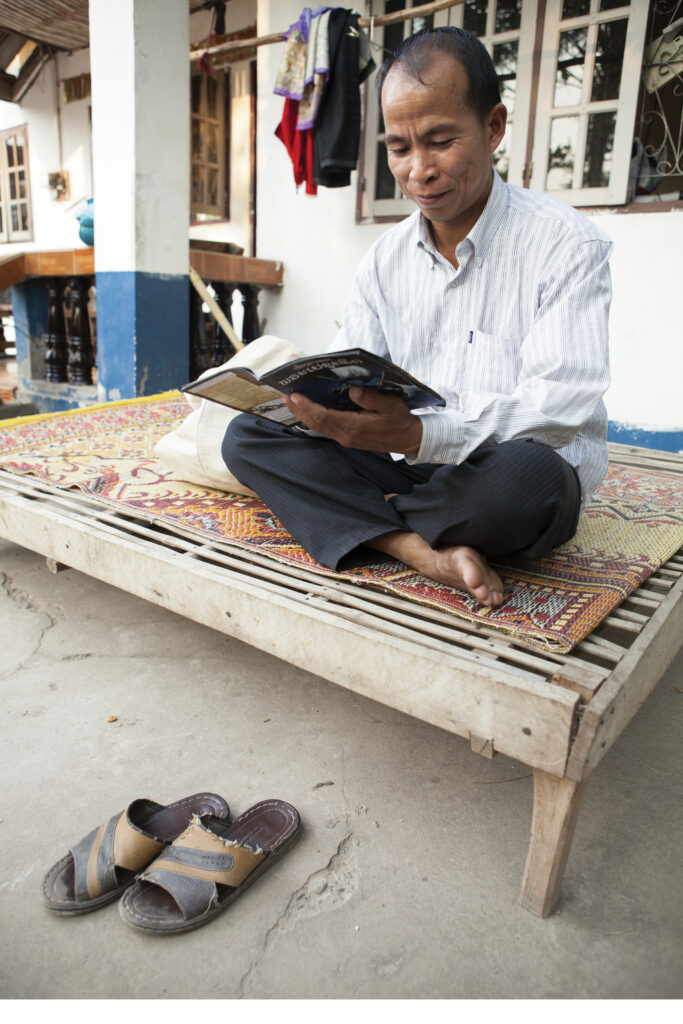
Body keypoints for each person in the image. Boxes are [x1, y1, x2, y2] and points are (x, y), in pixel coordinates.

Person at [223, 27, 612, 608]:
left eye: (440, 141)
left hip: (494, 473)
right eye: (400, 148)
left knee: (530, 482)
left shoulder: (566, 245)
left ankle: (358, 521)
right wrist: (315, 406)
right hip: (402, 463)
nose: (418, 170)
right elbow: (351, 363)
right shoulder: (385, 259)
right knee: (247, 436)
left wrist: (419, 433)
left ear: (494, 127)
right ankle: (417, 548)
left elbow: (556, 411)